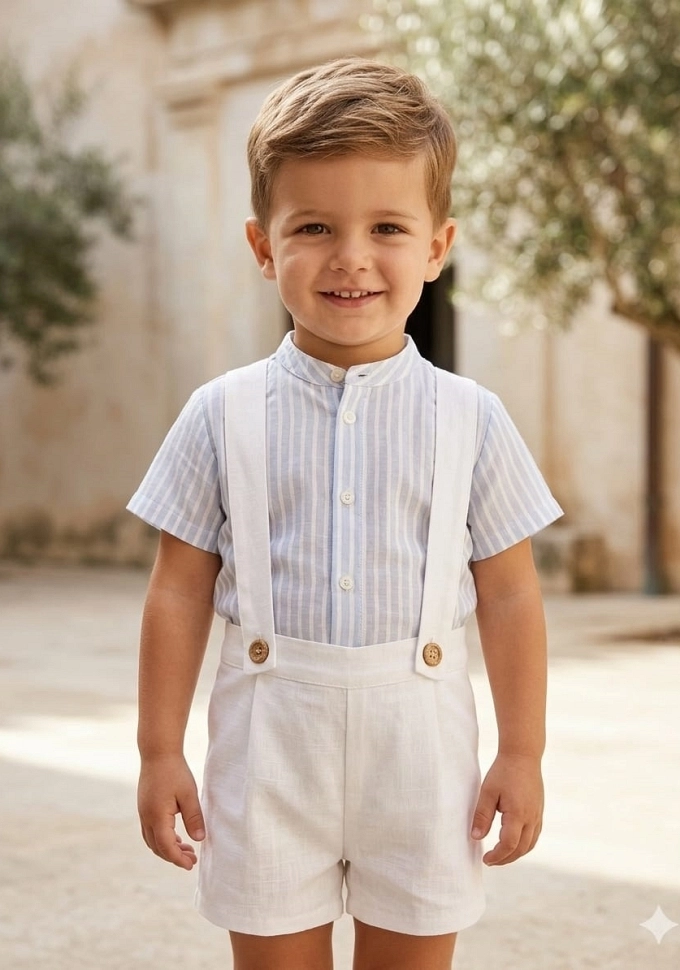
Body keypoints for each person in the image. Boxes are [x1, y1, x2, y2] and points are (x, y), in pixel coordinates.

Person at [127, 57, 564, 970]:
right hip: (266, 756)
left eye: (388, 227)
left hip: (424, 762)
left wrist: (522, 753)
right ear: (262, 247)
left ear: (438, 248)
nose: (351, 255)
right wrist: (158, 750)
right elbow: (176, 593)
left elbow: (514, 598)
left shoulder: (472, 418)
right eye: (314, 226)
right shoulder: (221, 413)